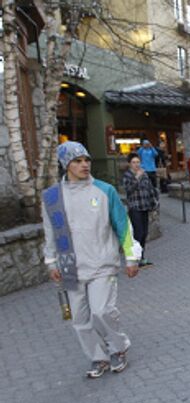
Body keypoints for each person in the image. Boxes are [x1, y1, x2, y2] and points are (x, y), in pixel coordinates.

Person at [41, 142, 142, 378]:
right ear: (66, 165)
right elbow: (50, 231)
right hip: (70, 266)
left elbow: (122, 225)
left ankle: (119, 347)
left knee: (102, 311)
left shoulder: (104, 191)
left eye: (86, 159)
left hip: (102, 263)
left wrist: (131, 256)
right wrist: (51, 261)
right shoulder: (52, 197)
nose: (84, 164)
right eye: (77, 161)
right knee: (80, 319)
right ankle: (98, 357)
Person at [122, 152, 159, 268]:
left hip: (144, 206)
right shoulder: (127, 175)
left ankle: (141, 258)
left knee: (144, 234)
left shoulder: (144, 174)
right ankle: (134, 259)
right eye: (133, 162)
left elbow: (150, 189)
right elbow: (128, 190)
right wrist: (137, 178)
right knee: (138, 234)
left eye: (138, 162)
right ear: (129, 164)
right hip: (135, 207)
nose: (136, 165)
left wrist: (154, 202)